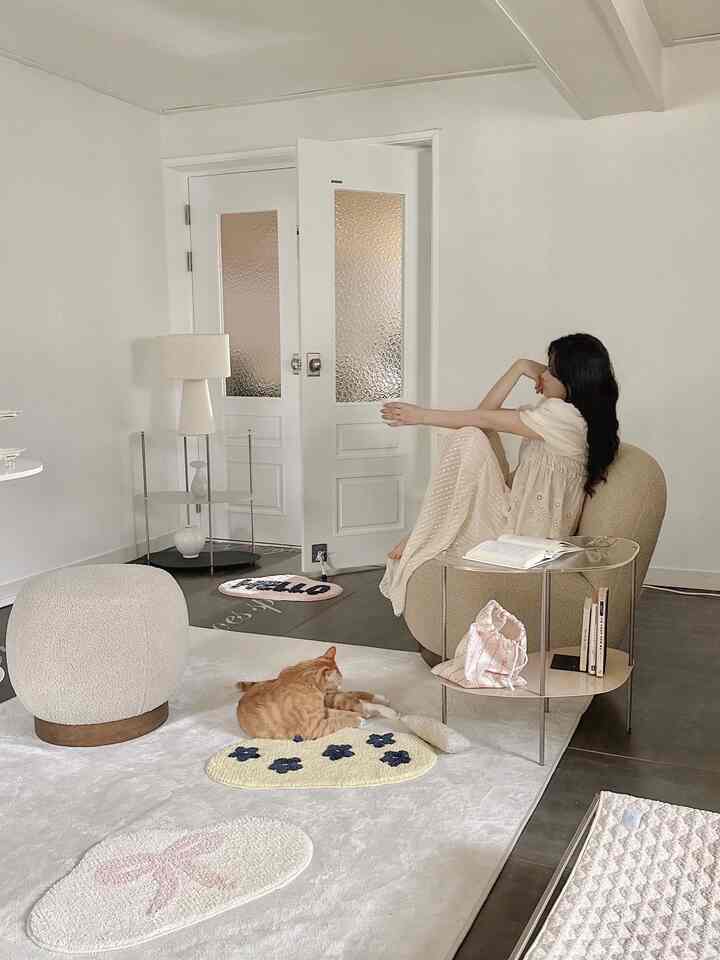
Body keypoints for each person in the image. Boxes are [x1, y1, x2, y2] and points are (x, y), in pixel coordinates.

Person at [378, 333, 620, 615]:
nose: (542, 375)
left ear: (572, 380)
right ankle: (426, 530)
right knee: (473, 436)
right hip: (518, 515)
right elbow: (485, 418)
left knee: (469, 436)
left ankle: (425, 531)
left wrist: (420, 416)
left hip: (527, 536)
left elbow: (483, 417)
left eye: (551, 371)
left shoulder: (563, 418)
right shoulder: (573, 416)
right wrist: (518, 367)